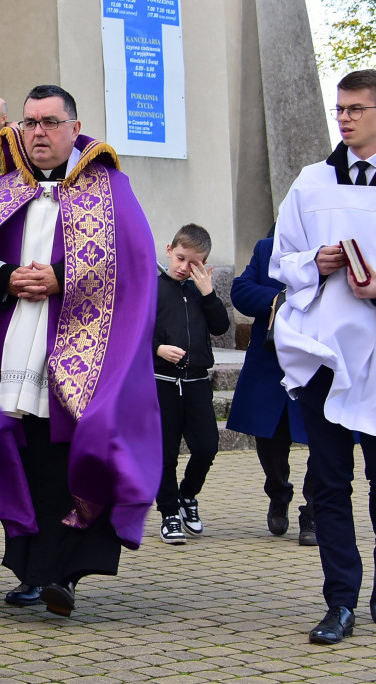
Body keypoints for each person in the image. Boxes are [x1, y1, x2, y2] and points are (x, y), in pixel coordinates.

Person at [0, 85, 160, 617]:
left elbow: (136, 269)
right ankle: (31, 571)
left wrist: (64, 279)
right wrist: (4, 277)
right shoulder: (3, 190)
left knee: (72, 455)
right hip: (16, 346)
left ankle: (65, 574)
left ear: (75, 127)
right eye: (30, 123)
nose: (38, 133)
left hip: (80, 352)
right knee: (22, 453)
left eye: (49, 122)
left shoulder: (109, 190)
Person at [270, 68, 376, 644]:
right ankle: (340, 600)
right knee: (329, 483)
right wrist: (315, 262)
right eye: (340, 108)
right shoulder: (312, 181)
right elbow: (279, 260)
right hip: (322, 354)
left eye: (357, 109)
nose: (343, 117)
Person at [227, 229, 314, 545]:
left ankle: (313, 514)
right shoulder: (267, 248)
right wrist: (278, 299)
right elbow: (241, 291)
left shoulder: (332, 247)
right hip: (270, 362)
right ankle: (279, 493)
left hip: (318, 363)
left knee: (324, 442)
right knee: (270, 439)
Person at [153, 223, 230, 544]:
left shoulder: (201, 292)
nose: (185, 268)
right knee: (165, 453)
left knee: (207, 447)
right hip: (162, 383)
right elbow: (131, 330)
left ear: (205, 264)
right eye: (181, 258)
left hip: (197, 382)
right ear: (170, 251)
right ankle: (169, 513)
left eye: (194, 263)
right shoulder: (152, 287)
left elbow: (220, 326)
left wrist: (209, 293)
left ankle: (187, 496)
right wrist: (156, 348)